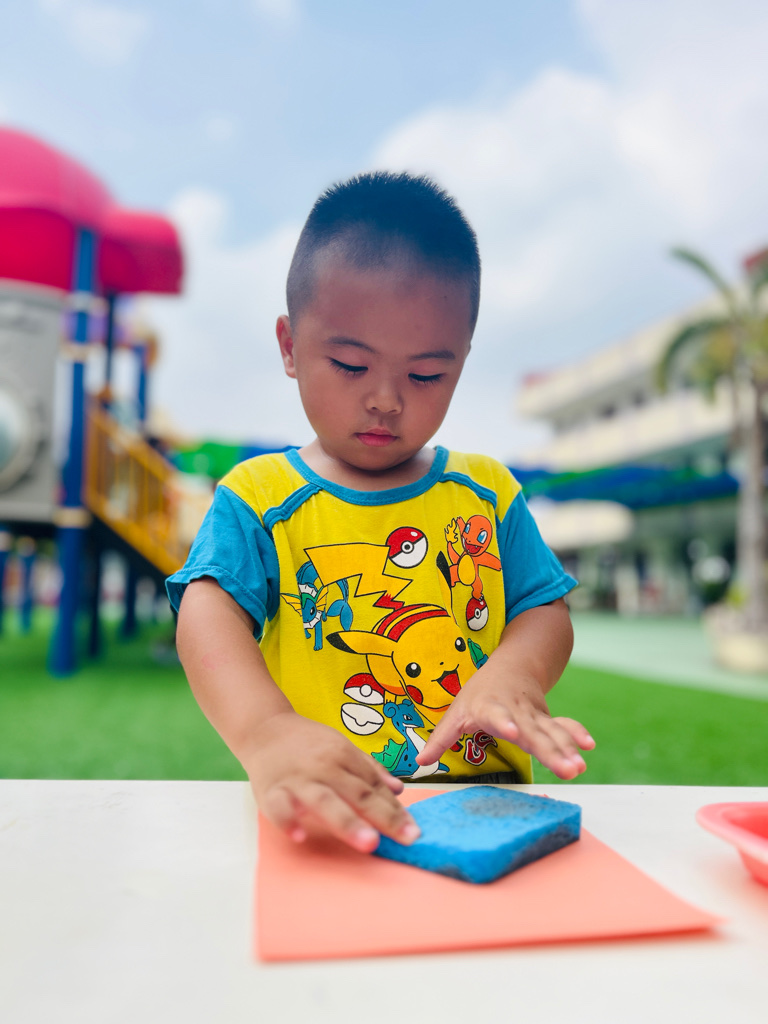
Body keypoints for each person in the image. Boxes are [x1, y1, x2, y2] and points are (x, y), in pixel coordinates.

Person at [167, 171, 594, 855]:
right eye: (349, 364)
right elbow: (206, 613)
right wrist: (265, 732)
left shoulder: (487, 493)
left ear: (461, 361)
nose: (387, 400)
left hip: (488, 816)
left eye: (426, 375)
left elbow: (544, 608)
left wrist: (517, 672)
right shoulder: (260, 496)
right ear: (289, 346)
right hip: (331, 816)